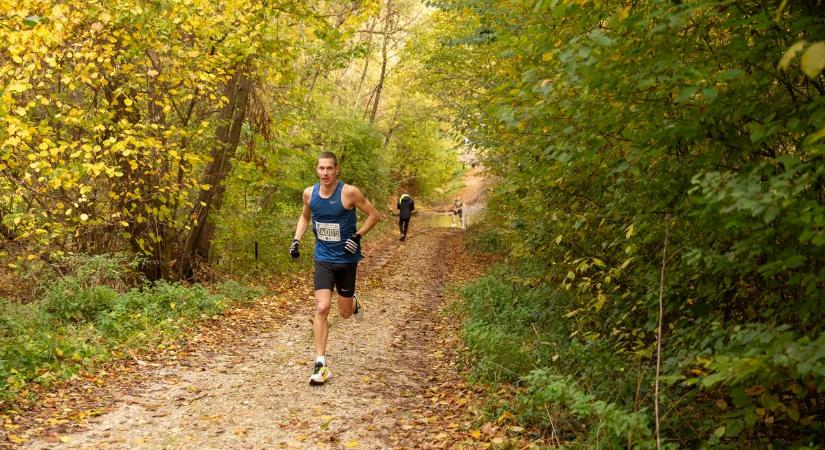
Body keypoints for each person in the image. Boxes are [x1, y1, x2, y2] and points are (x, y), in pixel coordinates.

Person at [289, 152, 381, 386]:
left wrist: (357, 236)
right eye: (321, 168)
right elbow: (304, 217)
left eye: (330, 168)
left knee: (345, 313)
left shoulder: (349, 192)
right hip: (323, 258)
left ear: (336, 170)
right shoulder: (309, 194)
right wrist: (296, 239)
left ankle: (352, 301)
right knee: (322, 307)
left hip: (347, 260)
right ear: (316, 170)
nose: (325, 173)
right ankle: (320, 364)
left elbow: (374, 215)